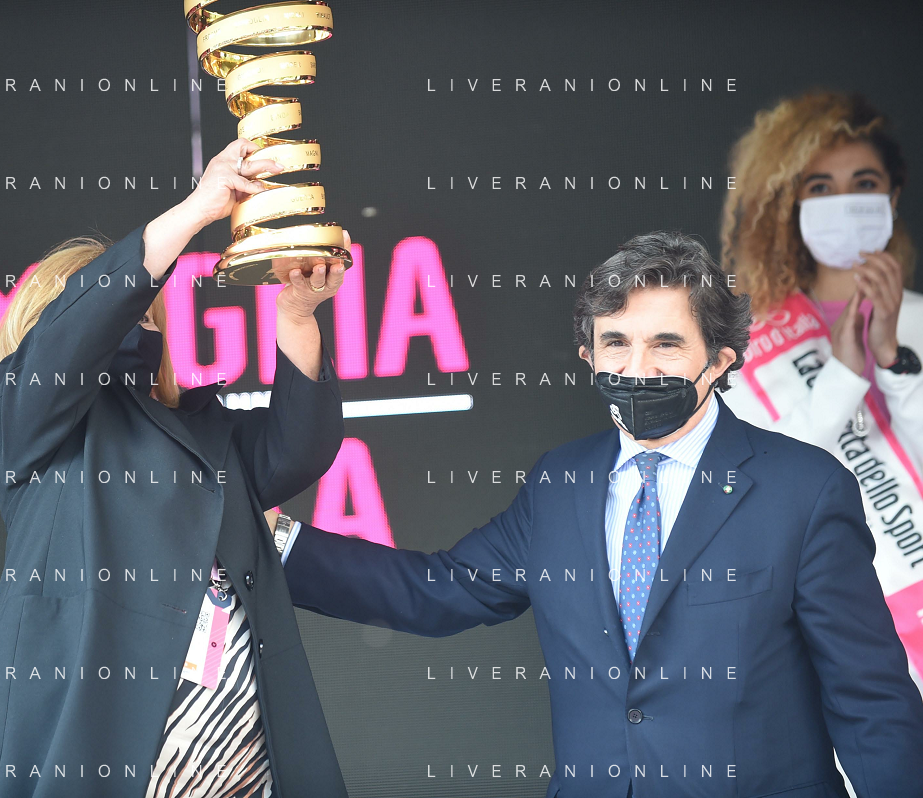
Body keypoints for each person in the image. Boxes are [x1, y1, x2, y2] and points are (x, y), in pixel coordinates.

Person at [267, 232, 923, 798]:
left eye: (666, 344)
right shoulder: (558, 483)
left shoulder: (804, 490)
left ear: (720, 360)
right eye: (615, 343)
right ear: (587, 357)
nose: (636, 369)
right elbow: (436, 590)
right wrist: (272, 540)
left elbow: (871, 702)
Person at [0, 138, 351, 798]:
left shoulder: (205, 431)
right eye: (119, 303)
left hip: (237, 767)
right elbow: (72, 342)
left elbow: (298, 449)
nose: (133, 319)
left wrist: (297, 316)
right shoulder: (29, 419)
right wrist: (198, 209)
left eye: (147, 309)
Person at [720, 91, 923, 690]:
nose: (844, 201)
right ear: (791, 205)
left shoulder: (917, 321)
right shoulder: (748, 344)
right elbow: (760, 484)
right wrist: (841, 375)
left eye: (864, 183)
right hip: (833, 630)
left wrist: (892, 360)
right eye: (820, 187)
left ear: (892, 195)